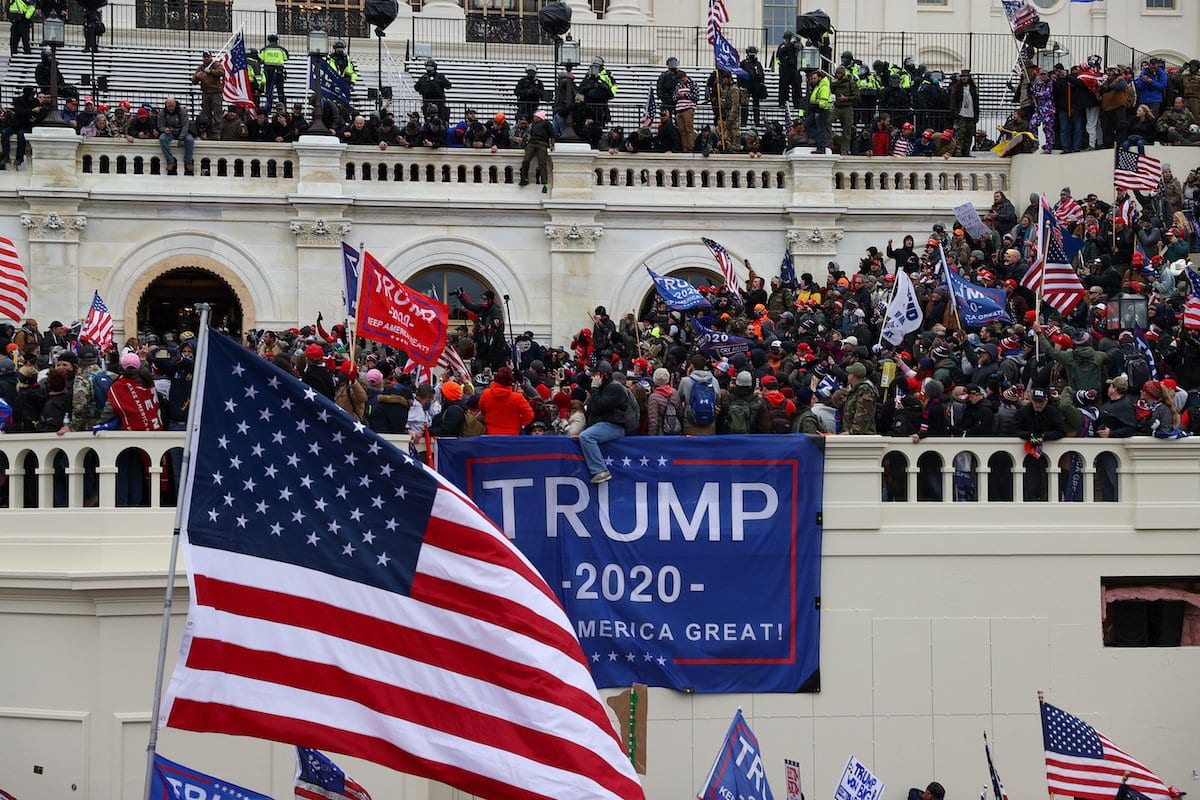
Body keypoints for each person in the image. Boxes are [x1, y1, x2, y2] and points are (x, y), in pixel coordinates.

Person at [578, 361, 628, 484]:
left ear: (603, 375)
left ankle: (600, 470)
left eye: (596, 373)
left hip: (614, 425)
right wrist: (587, 373)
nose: (593, 376)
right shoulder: (601, 385)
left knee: (586, 437)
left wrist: (594, 389)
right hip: (601, 424)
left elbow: (600, 406)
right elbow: (581, 382)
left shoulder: (615, 387)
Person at [157, 96, 195, 175]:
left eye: (172, 106)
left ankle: (188, 161)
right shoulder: (162, 113)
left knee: (190, 140)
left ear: (175, 104)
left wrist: (181, 137)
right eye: (169, 106)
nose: (171, 108)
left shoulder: (182, 111)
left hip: (182, 132)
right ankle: (170, 161)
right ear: (166, 105)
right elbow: (160, 126)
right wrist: (164, 129)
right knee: (162, 139)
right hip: (170, 133)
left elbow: (185, 125)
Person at [519, 110, 554, 193]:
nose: (534, 118)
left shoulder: (546, 124)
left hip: (542, 144)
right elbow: (530, 134)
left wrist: (552, 145)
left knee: (542, 163)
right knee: (526, 161)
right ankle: (523, 178)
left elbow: (552, 135)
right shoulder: (533, 125)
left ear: (539, 117)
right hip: (532, 143)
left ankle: (544, 184)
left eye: (535, 116)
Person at [948, 69, 980, 157]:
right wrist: (954, 112)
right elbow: (953, 101)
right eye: (962, 77)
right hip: (961, 114)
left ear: (969, 77)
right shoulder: (956, 87)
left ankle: (966, 151)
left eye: (965, 76)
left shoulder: (973, 88)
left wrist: (976, 115)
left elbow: (976, 102)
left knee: (969, 134)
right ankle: (958, 151)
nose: (964, 78)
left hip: (971, 115)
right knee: (959, 134)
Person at [191, 50, 226, 131]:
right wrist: (197, 77)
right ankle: (208, 131)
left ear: (211, 57)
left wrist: (211, 71)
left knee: (217, 113)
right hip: (206, 93)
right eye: (204, 57)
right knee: (206, 114)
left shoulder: (215, 65)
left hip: (215, 93)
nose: (206, 58)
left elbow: (222, 72)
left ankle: (217, 132)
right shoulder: (201, 68)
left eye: (208, 57)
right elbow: (193, 81)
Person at [830, 65, 860, 155]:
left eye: (839, 73)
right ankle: (831, 141)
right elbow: (832, 90)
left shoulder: (851, 83)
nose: (837, 75)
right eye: (837, 73)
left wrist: (846, 98)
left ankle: (845, 149)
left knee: (847, 129)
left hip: (847, 108)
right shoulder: (836, 83)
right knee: (827, 122)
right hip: (837, 107)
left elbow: (857, 97)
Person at [843, 362, 877, 434]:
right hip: (853, 435)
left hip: (862, 437)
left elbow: (863, 415)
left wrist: (852, 432)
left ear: (852, 376)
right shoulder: (855, 390)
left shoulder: (865, 390)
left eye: (849, 374)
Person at [259, 33, 289, 109]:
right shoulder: (282, 49)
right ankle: (282, 106)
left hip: (268, 72)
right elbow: (286, 58)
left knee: (269, 89)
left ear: (268, 40)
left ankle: (269, 106)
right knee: (280, 90)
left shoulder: (264, 49)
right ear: (276, 41)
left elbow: (261, 60)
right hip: (279, 71)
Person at [806, 67, 832, 155]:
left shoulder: (824, 87)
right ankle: (819, 140)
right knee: (807, 124)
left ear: (820, 78)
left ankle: (821, 147)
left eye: (815, 78)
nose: (813, 80)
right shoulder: (818, 85)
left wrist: (818, 111)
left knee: (821, 129)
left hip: (821, 111)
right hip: (816, 110)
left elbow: (823, 101)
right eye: (812, 78)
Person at [739, 46, 766, 127]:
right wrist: (740, 85)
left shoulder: (758, 64)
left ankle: (757, 122)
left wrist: (761, 83)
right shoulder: (743, 63)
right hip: (746, 86)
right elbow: (739, 75)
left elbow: (762, 74)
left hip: (756, 86)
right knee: (744, 105)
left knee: (756, 105)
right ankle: (743, 122)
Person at [774, 31, 800, 110]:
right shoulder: (783, 46)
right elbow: (781, 53)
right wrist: (790, 44)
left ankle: (797, 104)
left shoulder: (795, 46)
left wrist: (797, 43)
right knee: (784, 87)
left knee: (796, 87)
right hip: (784, 69)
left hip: (794, 69)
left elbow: (800, 50)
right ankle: (783, 103)